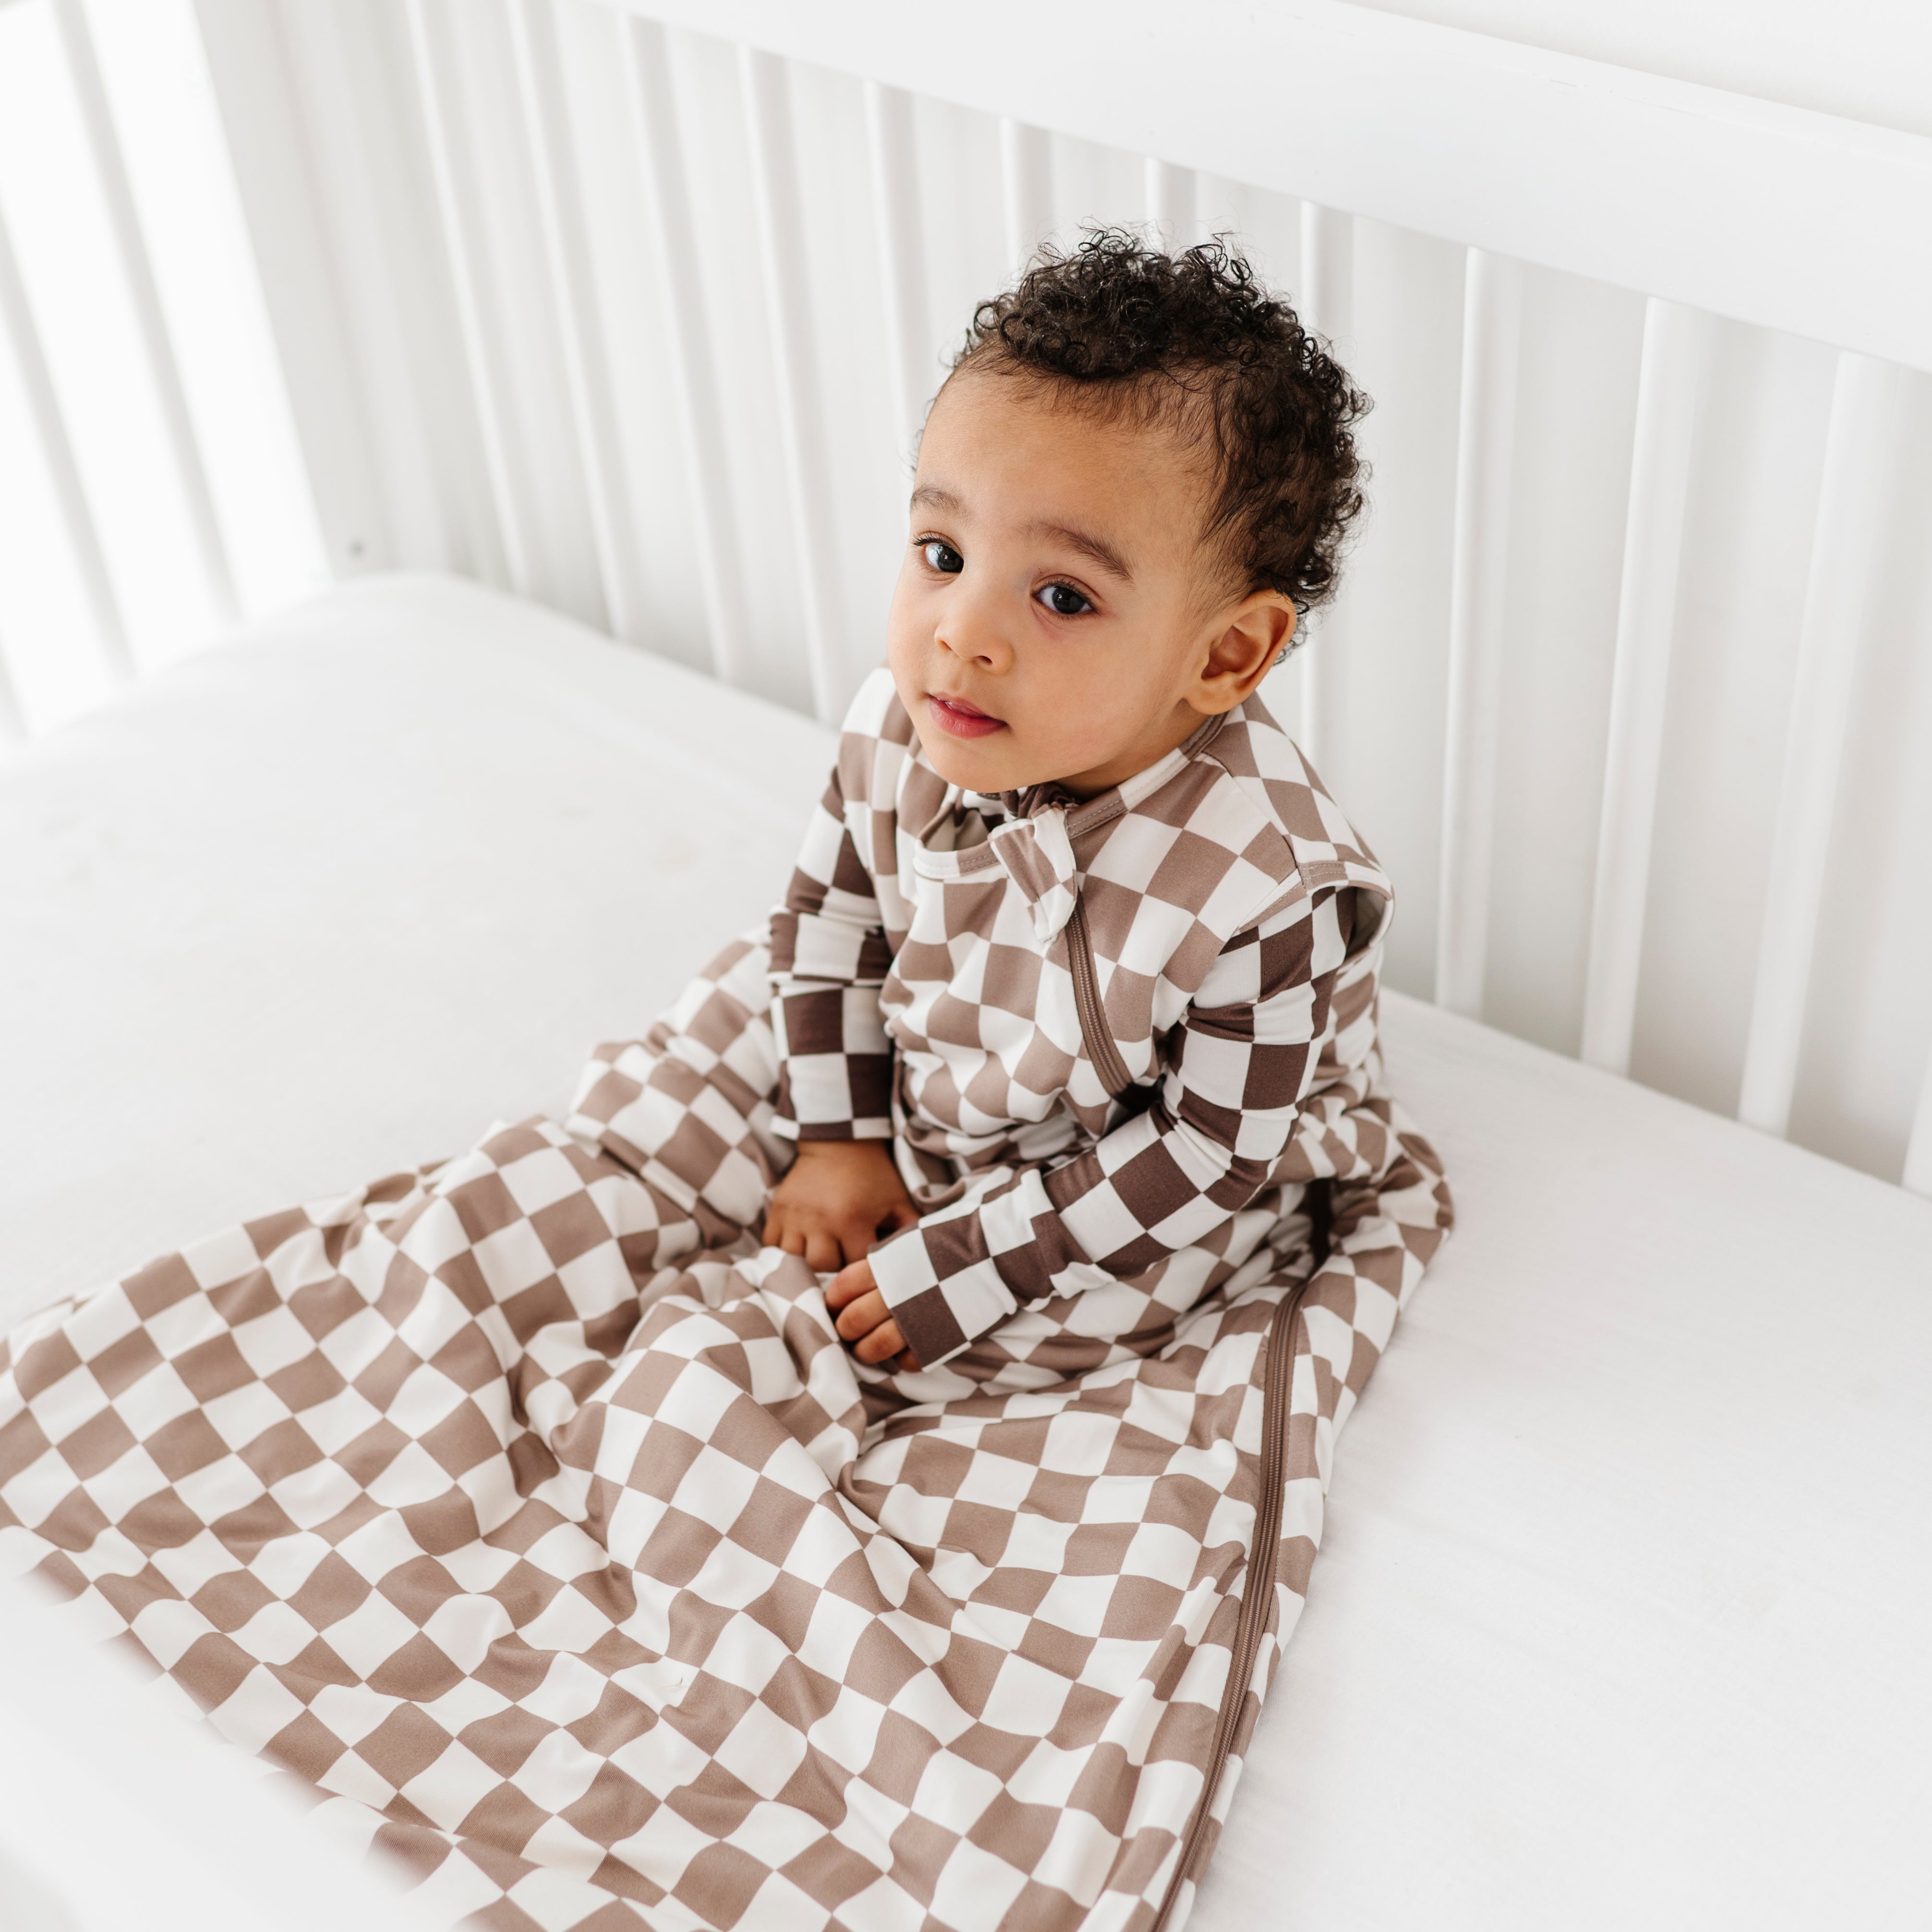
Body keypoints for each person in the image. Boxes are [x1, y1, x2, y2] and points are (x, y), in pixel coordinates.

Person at [0, 233, 1451, 1930]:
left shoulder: (1270, 890)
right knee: (615, 1152)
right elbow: (829, 933)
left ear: (1225, 659)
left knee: (884, 1365)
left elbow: (1208, 1161)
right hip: (931, 1066)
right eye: (938, 549)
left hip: (1115, 1186)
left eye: (1058, 595)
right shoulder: (900, 724)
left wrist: (961, 1271)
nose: (961, 634)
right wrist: (839, 1137)